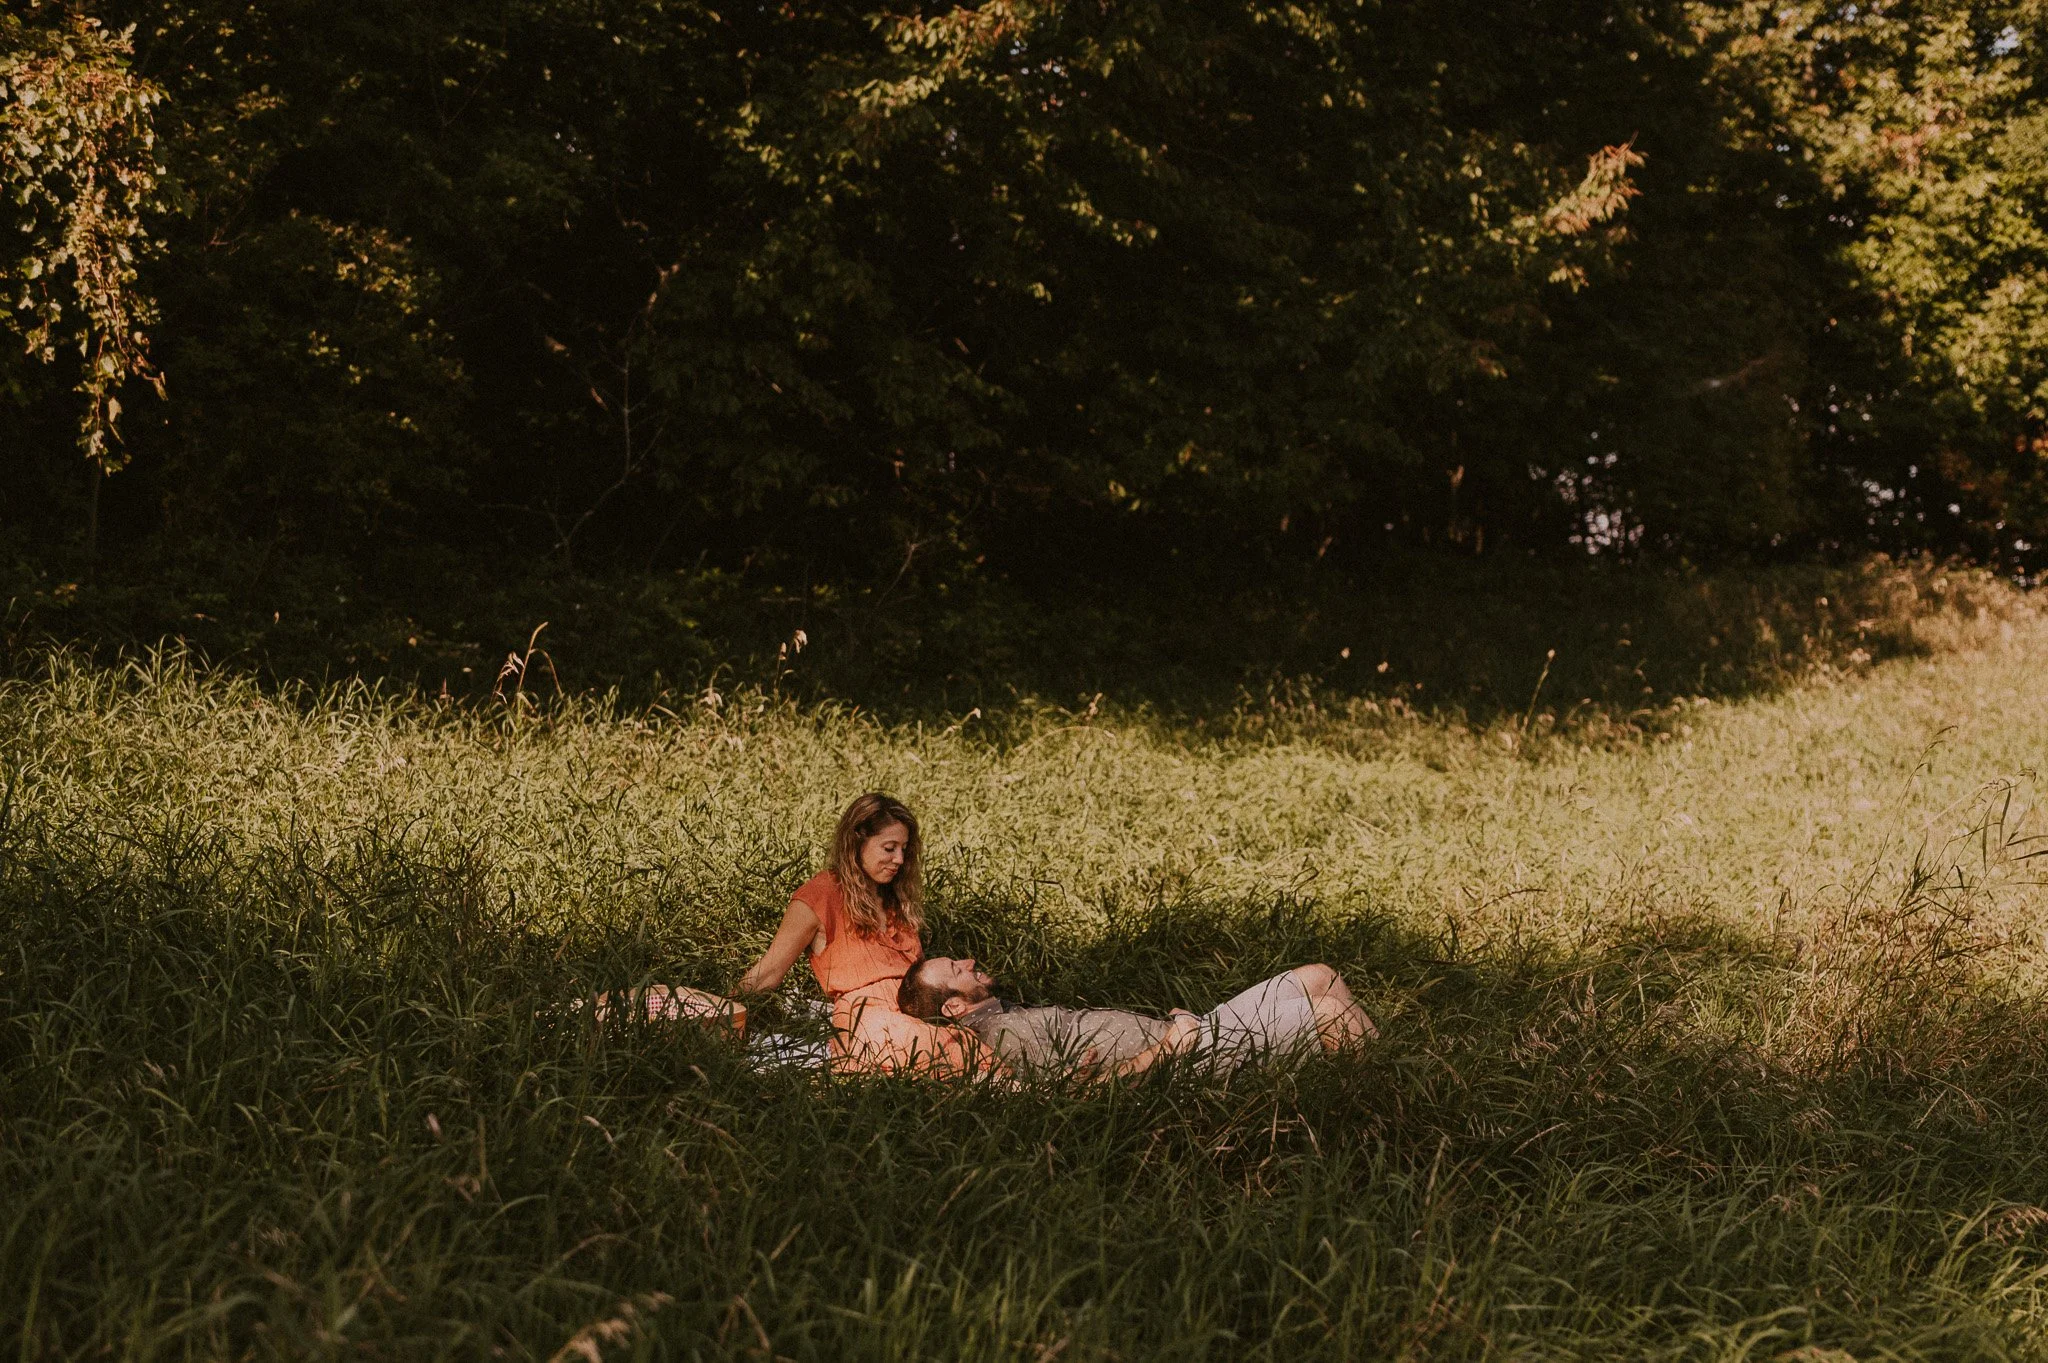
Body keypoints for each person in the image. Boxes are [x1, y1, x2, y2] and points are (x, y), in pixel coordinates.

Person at [733, 793, 981, 1075]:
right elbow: (768, 972)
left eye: (904, 849)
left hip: (919, 1021)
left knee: (988, 1036)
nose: (899, 859)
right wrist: (719, 1017)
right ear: (857, 842)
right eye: (889, 848)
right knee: (959, 1052)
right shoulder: (821, 896)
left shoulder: (896, 900)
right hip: (869, 1023)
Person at [895, 956, 1376, 1077]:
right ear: (954, 1007)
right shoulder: (1001, 1033)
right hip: (1188, 1062)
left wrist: (1177, 1026)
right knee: (1330, 1012)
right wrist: (1169, 1050)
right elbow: (1077, 1092)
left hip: (1190, 1032)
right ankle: (1379, 1097)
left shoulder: (1008, 1012)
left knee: (1317, 975)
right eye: (956, 970)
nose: (968, 963)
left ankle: (1381, 1063)